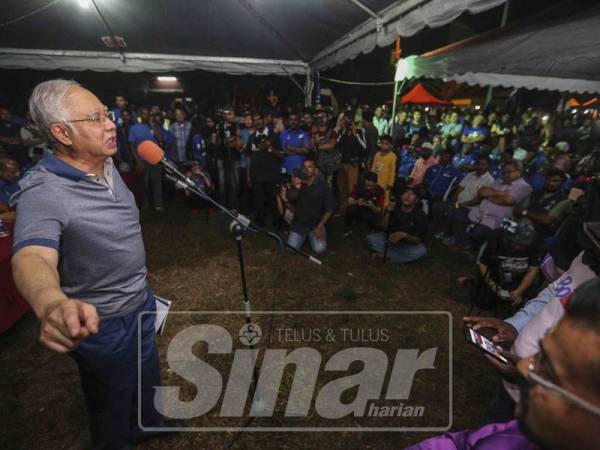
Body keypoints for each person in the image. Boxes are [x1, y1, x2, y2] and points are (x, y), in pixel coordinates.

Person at [11, 79, 170, 448]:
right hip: (103, 323)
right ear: (61, 132)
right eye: (95, 118)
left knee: (147, 375)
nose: (111, 123)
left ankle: (149, 423)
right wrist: (52, 303)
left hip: (140, 303)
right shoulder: (43, 191)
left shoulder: (106, 162)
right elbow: (32, 256)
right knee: (110, 400)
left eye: (108, 114)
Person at [409, 279, 600, 450]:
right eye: (540, 354)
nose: (524, 366)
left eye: (548, 370)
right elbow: (465, 443)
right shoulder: (518, 434)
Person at [451, 160, 532, 250]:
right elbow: (482, 191)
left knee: (479, 232)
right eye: (504, 172)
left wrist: (490, 195)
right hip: (480, 212)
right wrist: (502, 193)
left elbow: (508, 200)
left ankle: (473, 249)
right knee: (457, 213)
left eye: (509, 172)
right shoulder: (499, 181)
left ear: (519, 172)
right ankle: (462, 243)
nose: (505, 174)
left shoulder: (525, 187)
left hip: (502, 221)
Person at [366, 187, 427, 264]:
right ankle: (395, 256)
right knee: (370, 239)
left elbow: (417, 240)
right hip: (389, 241)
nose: (407, 196)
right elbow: (383, 227)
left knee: (421, 251)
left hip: (406, 245)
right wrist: (388, 212)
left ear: (416, 200)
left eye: (412, 194)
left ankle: (387, 256)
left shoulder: (420, 215)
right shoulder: (394, 207)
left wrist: (405, 235)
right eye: (406, 193)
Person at [287, 159, 336, 255]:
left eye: (310, 166)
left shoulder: (323, 187)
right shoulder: (299, 183)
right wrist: (295, 187)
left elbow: (330, 209)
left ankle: (310, 237)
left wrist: (319, 226)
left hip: (315, 224)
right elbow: (291, 199)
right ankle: (305, 238)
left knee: (320, 250)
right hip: (299, 224)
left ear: (316, 170)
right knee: (290, 249)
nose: (307, 169)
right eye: (304, 167)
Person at [246, 135, 283, 226]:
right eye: (262, 142)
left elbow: (281, 155)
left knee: (274, 201)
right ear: (258, 144)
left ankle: (277, 221)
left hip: (271, 180)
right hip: (258, 181)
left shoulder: (272, 151)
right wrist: (250, 178)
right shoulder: (254, 154)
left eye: (265, 141)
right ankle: (259, 221)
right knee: (259, 201)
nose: (264, 143)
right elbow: (251, 167)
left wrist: (270, 149)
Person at [344, 171, 385, 235]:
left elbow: (379, 210)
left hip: (371, 211)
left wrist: (372, 206)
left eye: (371, 186)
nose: (369, 188)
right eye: (367, 185)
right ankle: (349, 227)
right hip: (359, 208)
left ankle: (372, 230)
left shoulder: (380, 191)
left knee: (377, 217)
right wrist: (356, 202)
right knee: (350, 209)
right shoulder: (358, 186)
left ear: (376, 184)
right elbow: (349, 201)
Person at [371, 135, 397, 207]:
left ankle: (384, 215)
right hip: (376, 181)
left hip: (385, 183)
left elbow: (392, 171)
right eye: (382, 143)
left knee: (384, 200)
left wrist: (390, 183)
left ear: (390, 145)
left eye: (386, 144)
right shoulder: (377, 154)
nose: (383, 145)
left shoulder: (392, 156)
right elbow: (373, 166)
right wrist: (371, 179)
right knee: (375, 198)